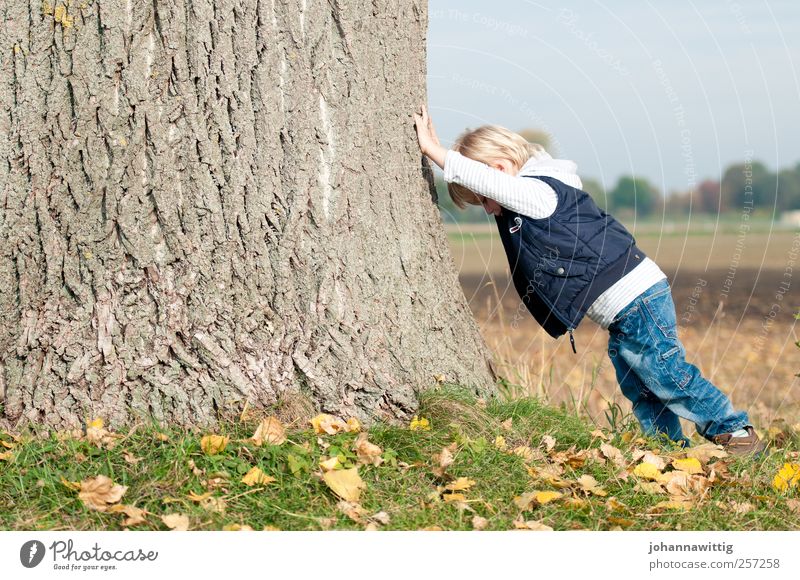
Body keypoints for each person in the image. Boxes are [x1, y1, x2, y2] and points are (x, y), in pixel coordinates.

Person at [413, 104, 766, 457]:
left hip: (636, 298)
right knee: (640, 385)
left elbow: (495, 185)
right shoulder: (537, 191)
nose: (489, 209)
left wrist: (436, 153)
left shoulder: (537, 193)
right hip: (624, 311)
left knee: (665, 371)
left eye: (484, 199)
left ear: (500, 171)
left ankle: (735, 432)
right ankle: (669, 449)